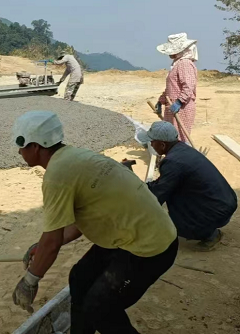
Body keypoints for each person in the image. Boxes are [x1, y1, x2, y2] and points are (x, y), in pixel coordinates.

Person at [11, 111, 178, 333]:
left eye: (21, 145)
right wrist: (41, 248)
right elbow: (76, 225)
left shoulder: (57, 176)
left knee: (100, 308)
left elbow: (51, 242)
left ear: (36, 146)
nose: (19, 151)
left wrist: (30, 281)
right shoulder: (74, 157)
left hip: (149, 248)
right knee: (80, 278)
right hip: (131, 235)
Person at [139, 121, 238, 251]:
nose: (151, 144)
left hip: (218, 210)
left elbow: (158, 195)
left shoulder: (172, 162)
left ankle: (209, 234)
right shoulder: (182, 149)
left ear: (162, 145)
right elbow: (162, 184)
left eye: (152, 142)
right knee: (176, 193)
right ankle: (204, 226)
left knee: (175, 206)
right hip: (226, 201)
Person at [155, 33, 198, 143]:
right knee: (170, 138)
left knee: (180, 139)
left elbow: (189, 86)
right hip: (172, 106)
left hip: (182, 108)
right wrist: (161, 101)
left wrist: (179, 102)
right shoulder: (177, 64)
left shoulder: (185, 64)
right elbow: (171, 87)